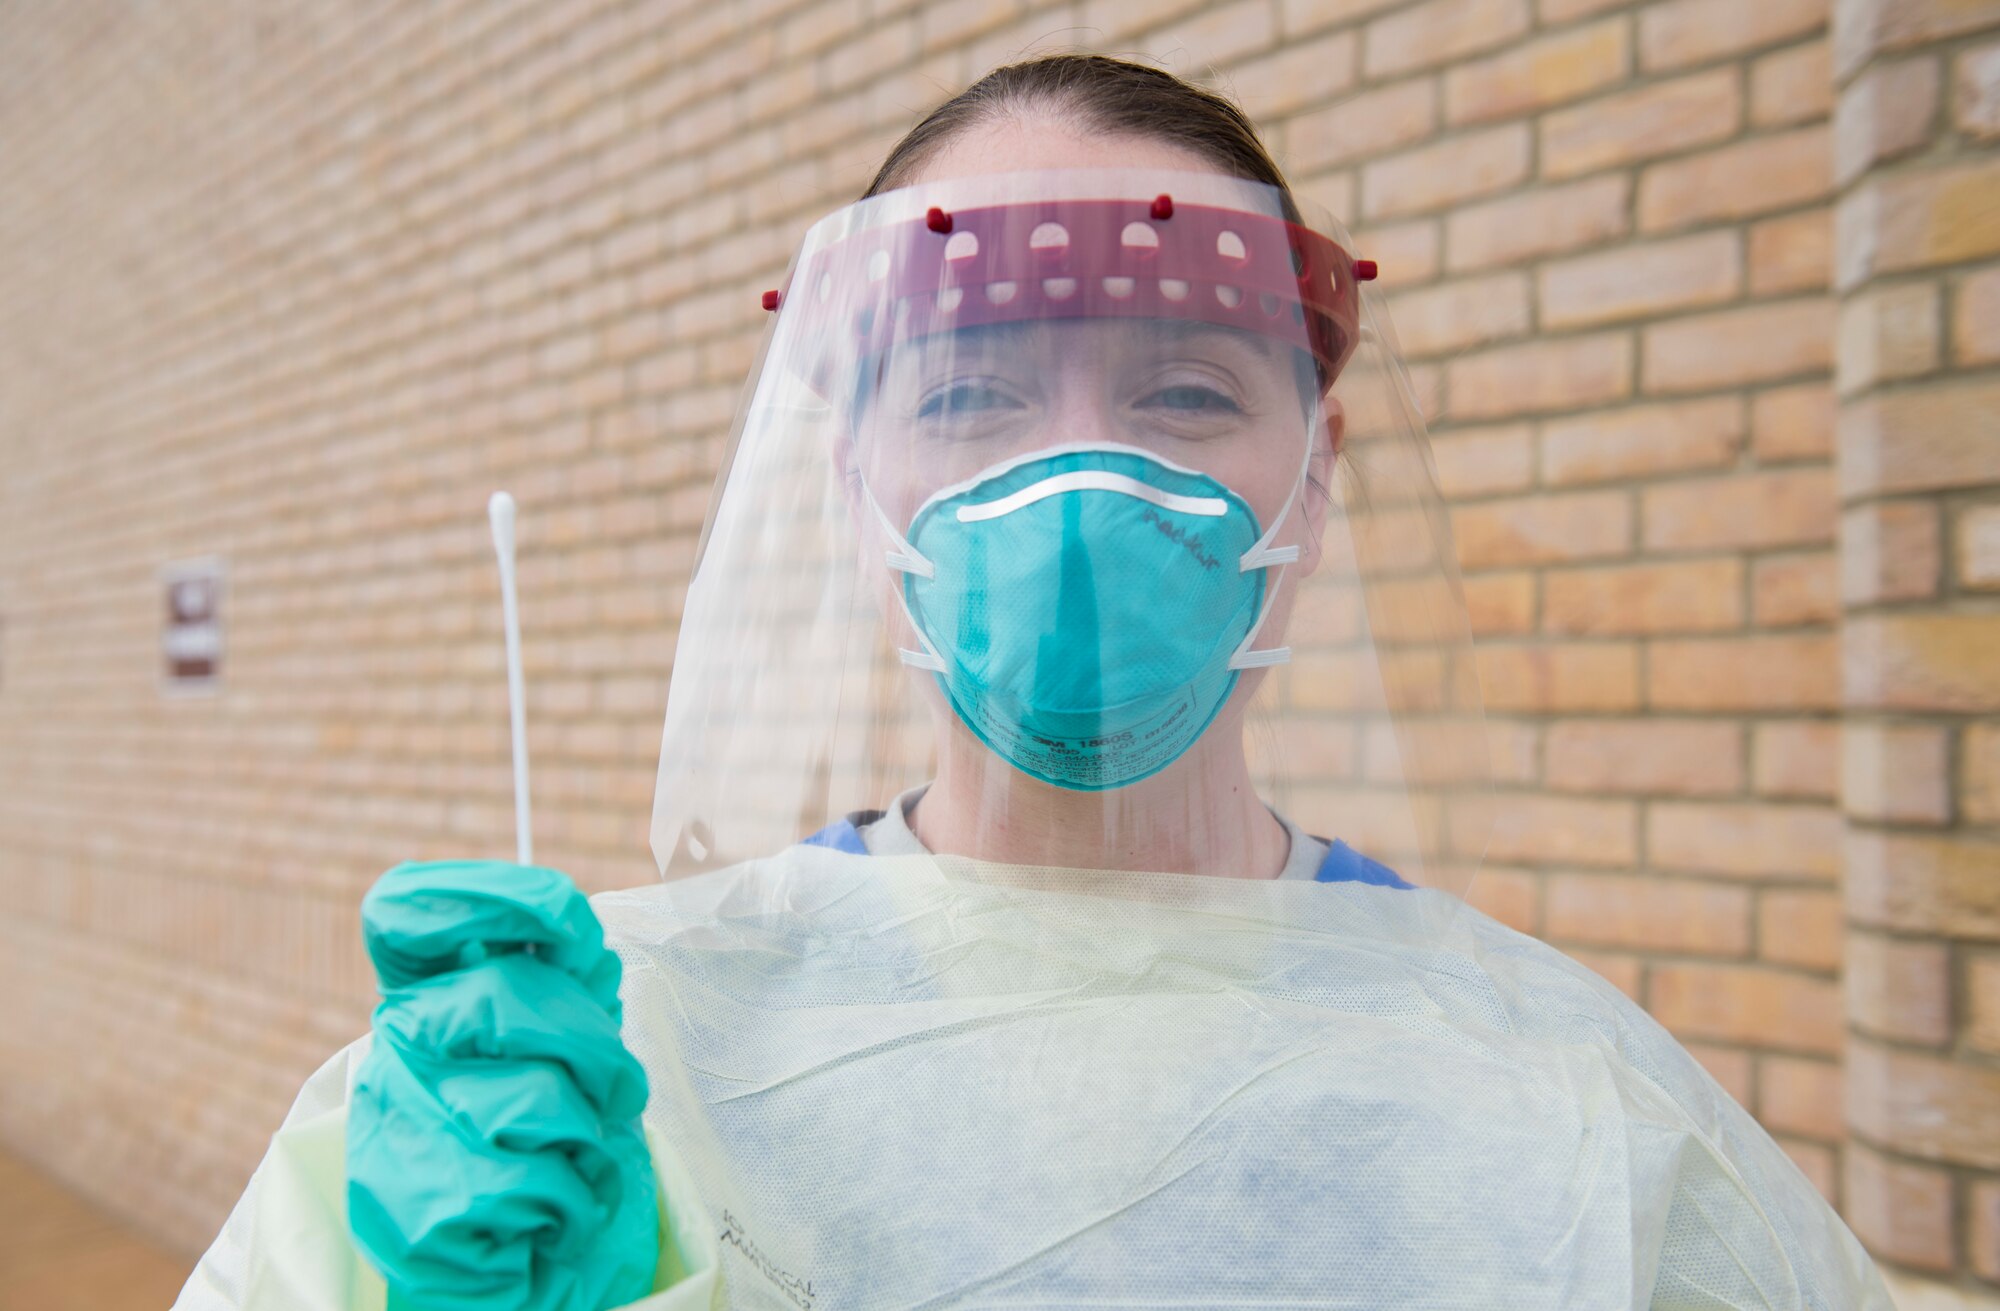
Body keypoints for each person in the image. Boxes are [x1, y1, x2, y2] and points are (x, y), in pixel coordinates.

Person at [174, 55, 1891, 1311]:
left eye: (1189, 392)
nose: (1080, 484)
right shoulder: (586, 1072)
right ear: (852, 488)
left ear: (1319, 477)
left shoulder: (1572, 1095)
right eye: (974, 395)